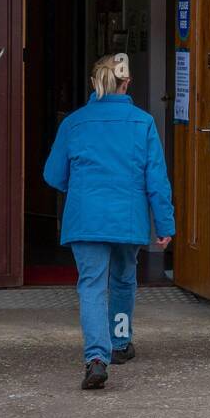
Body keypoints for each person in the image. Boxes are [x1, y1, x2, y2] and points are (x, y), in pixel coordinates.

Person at [43, 53, 175, 390]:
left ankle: (96, 359)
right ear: (127, 82)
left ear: (94, 83)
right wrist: (165, 225)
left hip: (85, 218)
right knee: (123, 281)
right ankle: (119, 343)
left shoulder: (74, 123)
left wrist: (82, 186)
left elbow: (53, 175)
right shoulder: (143, 122)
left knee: (91, 286)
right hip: (126, 220)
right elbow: (156, 181)